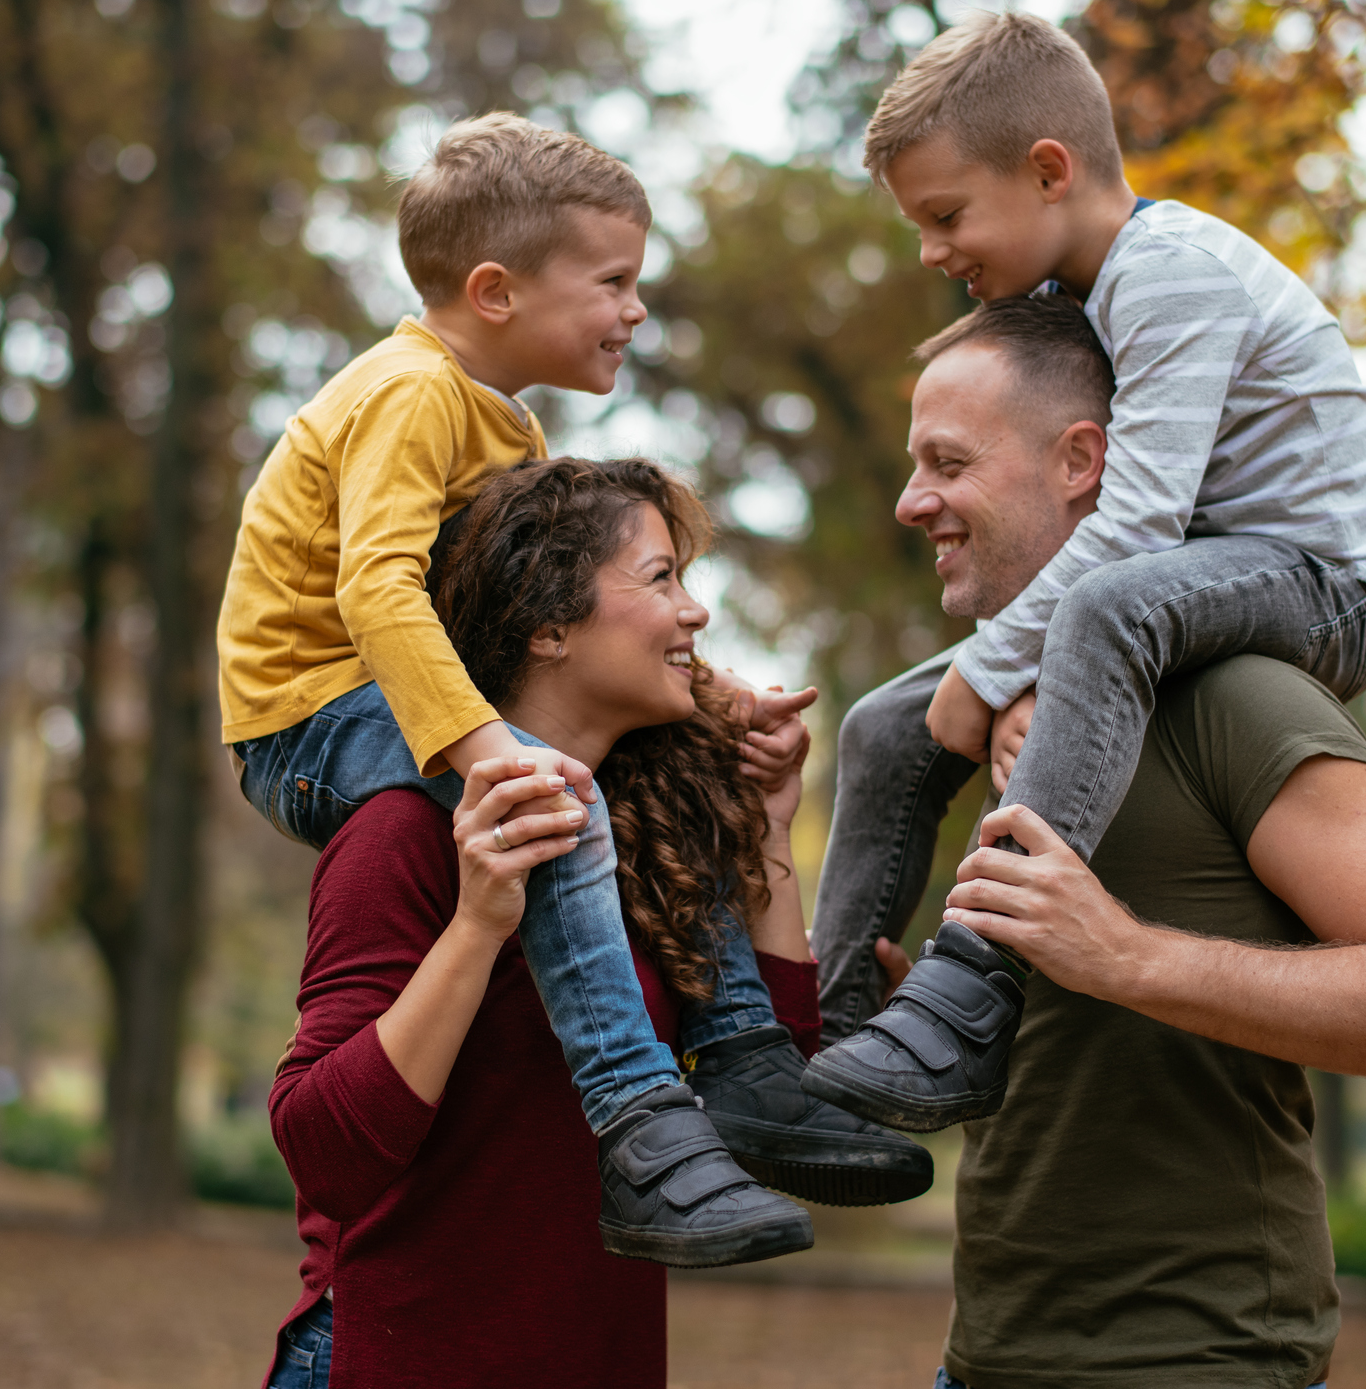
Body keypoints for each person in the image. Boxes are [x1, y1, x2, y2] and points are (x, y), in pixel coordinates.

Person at [217, 114, 915, 1265]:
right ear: (495, 290)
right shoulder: (412, 393)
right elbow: (378, 592)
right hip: (310, 718)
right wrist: (492, 752)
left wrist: (716, 694)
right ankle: (639, 1113)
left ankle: (744, 1059)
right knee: (559, 794)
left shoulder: (510, 422)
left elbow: (549, 604)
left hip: (391, 695)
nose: (636, 309)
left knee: (659, 760)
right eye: (613, 281)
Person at [835, 307, 1366, 1386]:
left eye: (947, 462)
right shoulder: (1000, 711)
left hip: (1204, 1359)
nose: (912, 500)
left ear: (1080, 461)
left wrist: (1126, 955)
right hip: (987, 1357)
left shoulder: (1237, 696)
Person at [804, 12, 1366, 1132]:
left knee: (1089, 609)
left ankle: (973, 979)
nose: (932, 252)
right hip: (1187, 580)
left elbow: (1136, 526)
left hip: (1325, 586)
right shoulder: (1064, 300)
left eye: (945, 216)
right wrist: (994, 680)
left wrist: (994, 670)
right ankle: (834, 1041)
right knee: (885, 726)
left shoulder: (1171, 275)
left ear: (1049, 171)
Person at [261, 458, 917, 1388]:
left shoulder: (647, 828)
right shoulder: (406, 830)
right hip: (406, 1358)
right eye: (661, 579)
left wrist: (767, 821)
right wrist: (478, 925)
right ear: (547, 626)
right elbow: (322, 1149)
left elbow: (766, 1095)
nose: (694, 612)